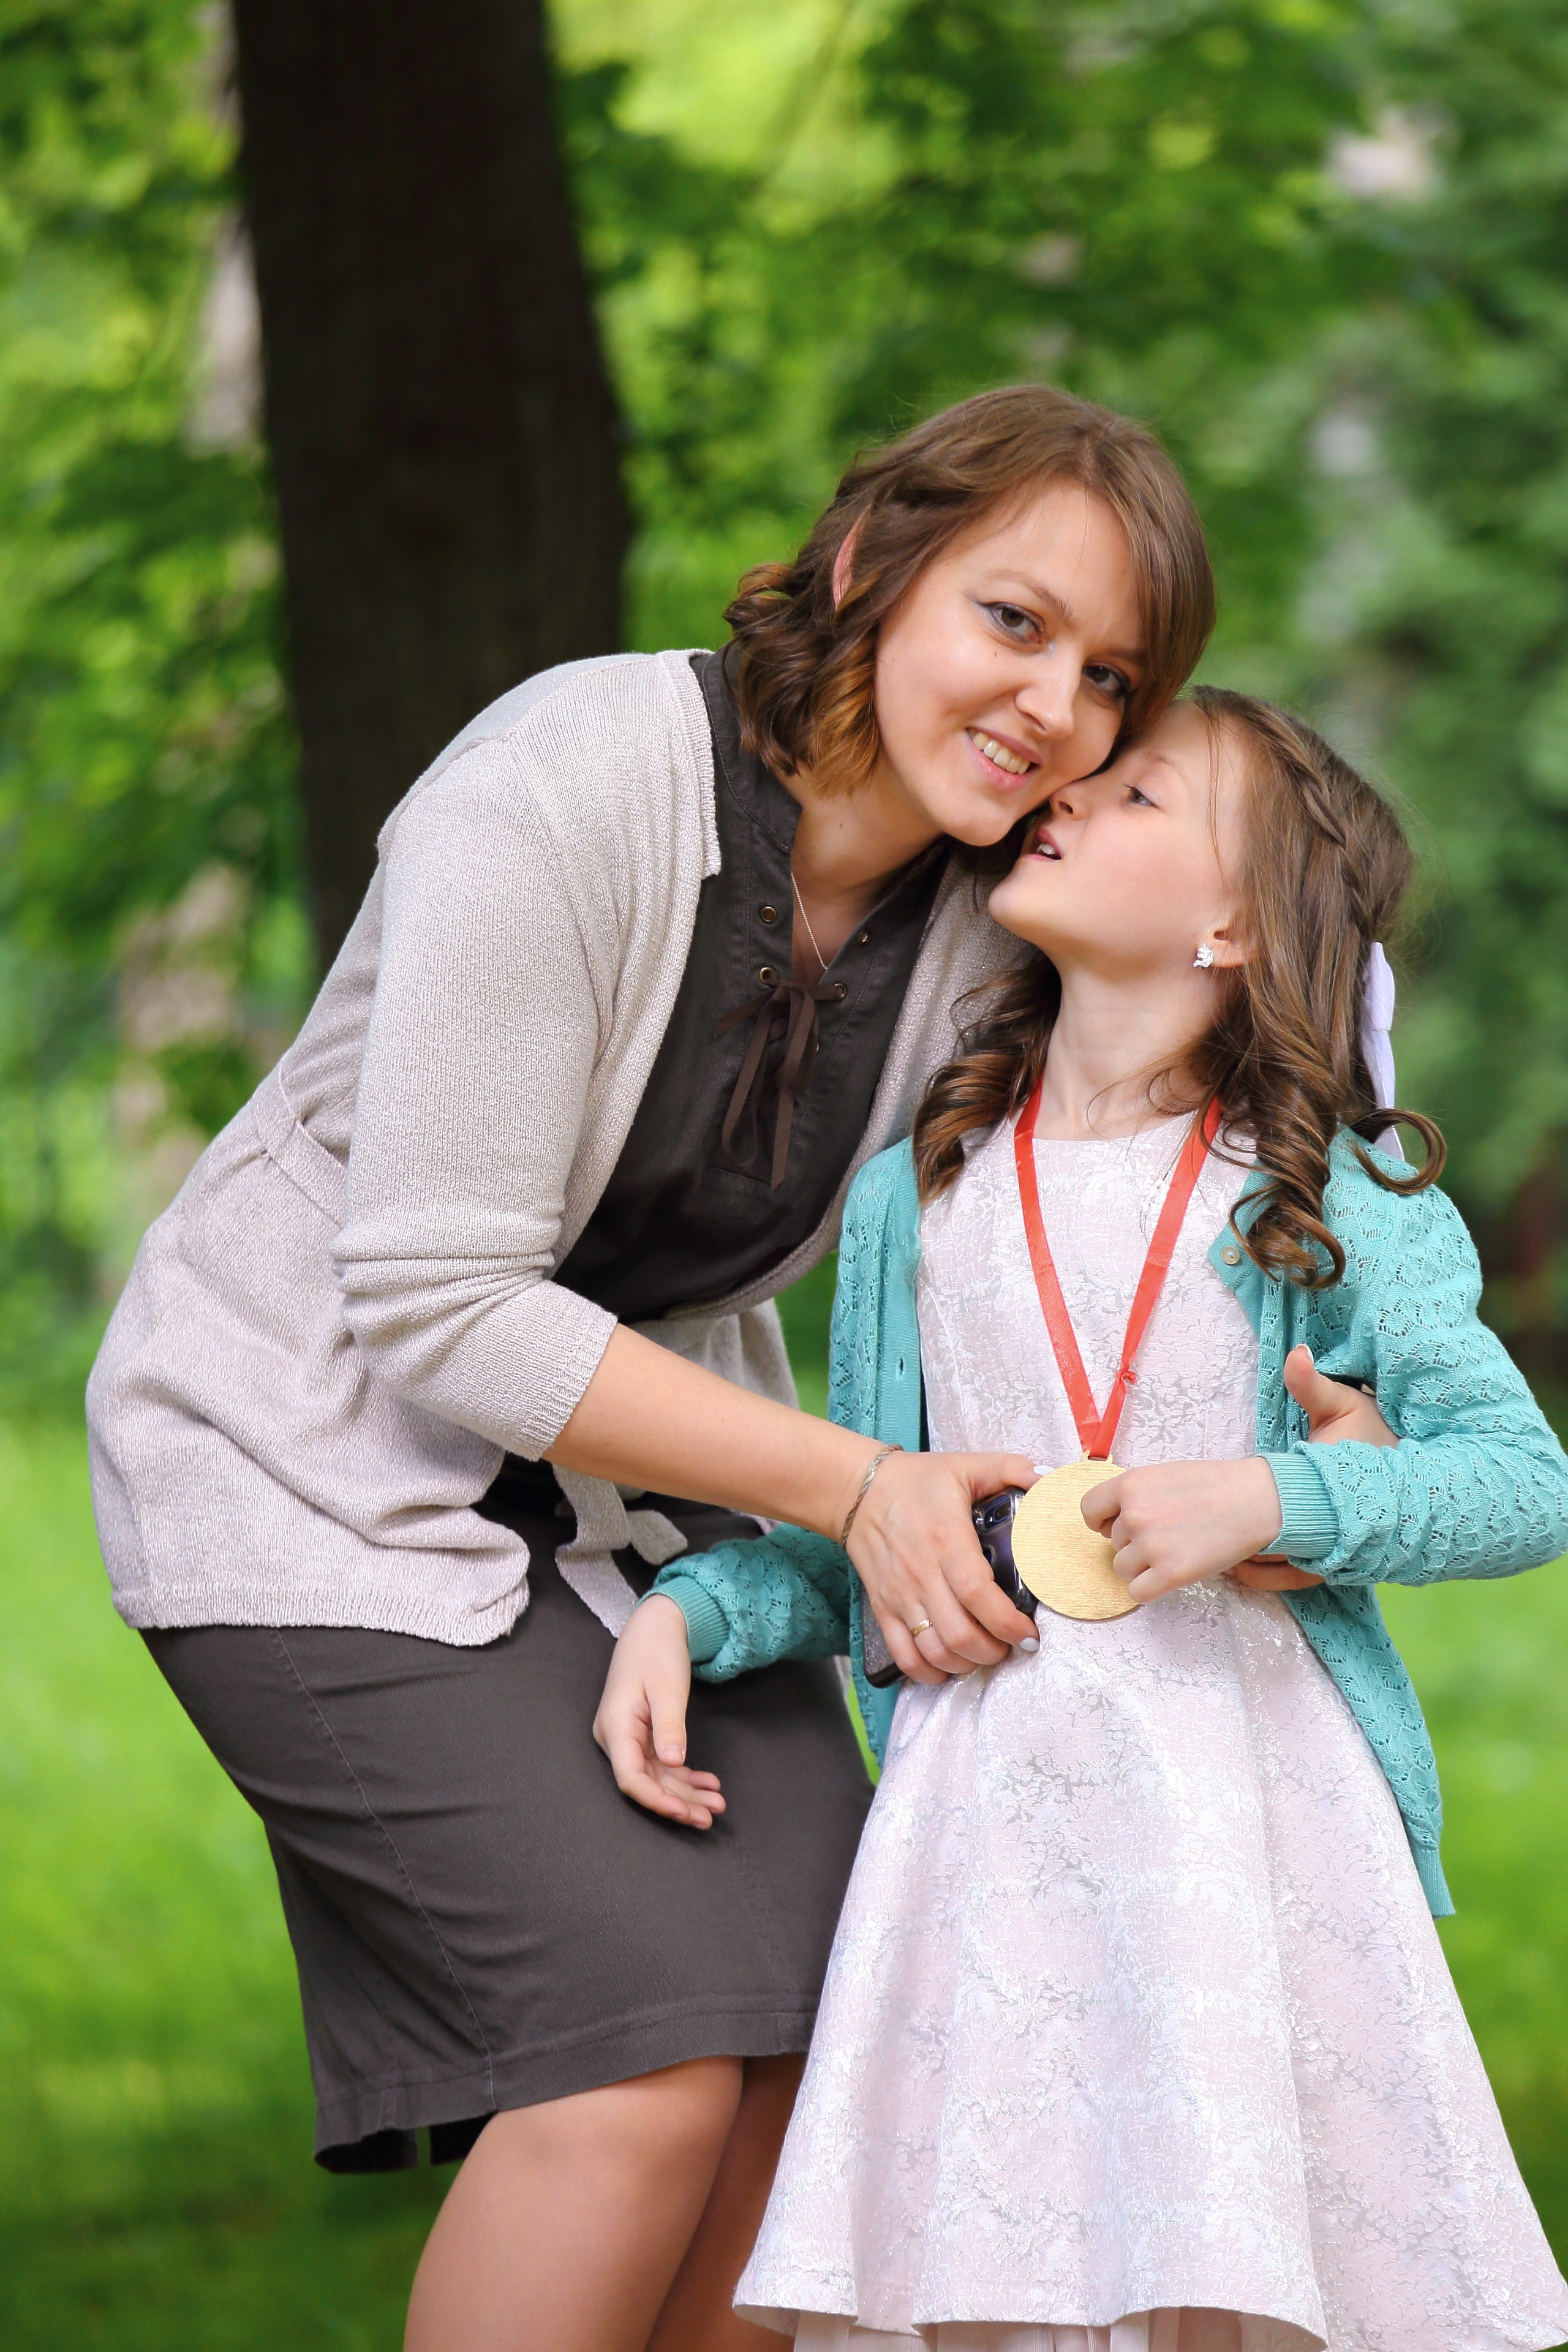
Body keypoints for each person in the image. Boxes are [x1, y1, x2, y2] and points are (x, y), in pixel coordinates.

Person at [86, 386, 1227, 2352]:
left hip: (659, 1529)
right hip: (300, 1469)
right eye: (1016, 620)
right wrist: (854, 1487)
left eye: (1112, 677)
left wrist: (1352, 1358)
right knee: (635, 2076)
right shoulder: (569, 776)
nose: (1057, 707)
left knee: (823, 2076)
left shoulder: (986, 918)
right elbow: (438, 1299)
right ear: (870, 565)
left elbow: (1217, 1067)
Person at [602, 689, 1568, 2350]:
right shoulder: (922, 1192)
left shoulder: (1338, 1191)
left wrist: (1284, 1494)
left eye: (1140, 797)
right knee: (1002, 2281)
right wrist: (699, 1611)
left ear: (1232, 923)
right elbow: (882, 1531)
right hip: (981, 1841)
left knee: (1223, 2263)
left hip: (1243, 1838)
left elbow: (1518, 1478)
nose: (1067, 799)